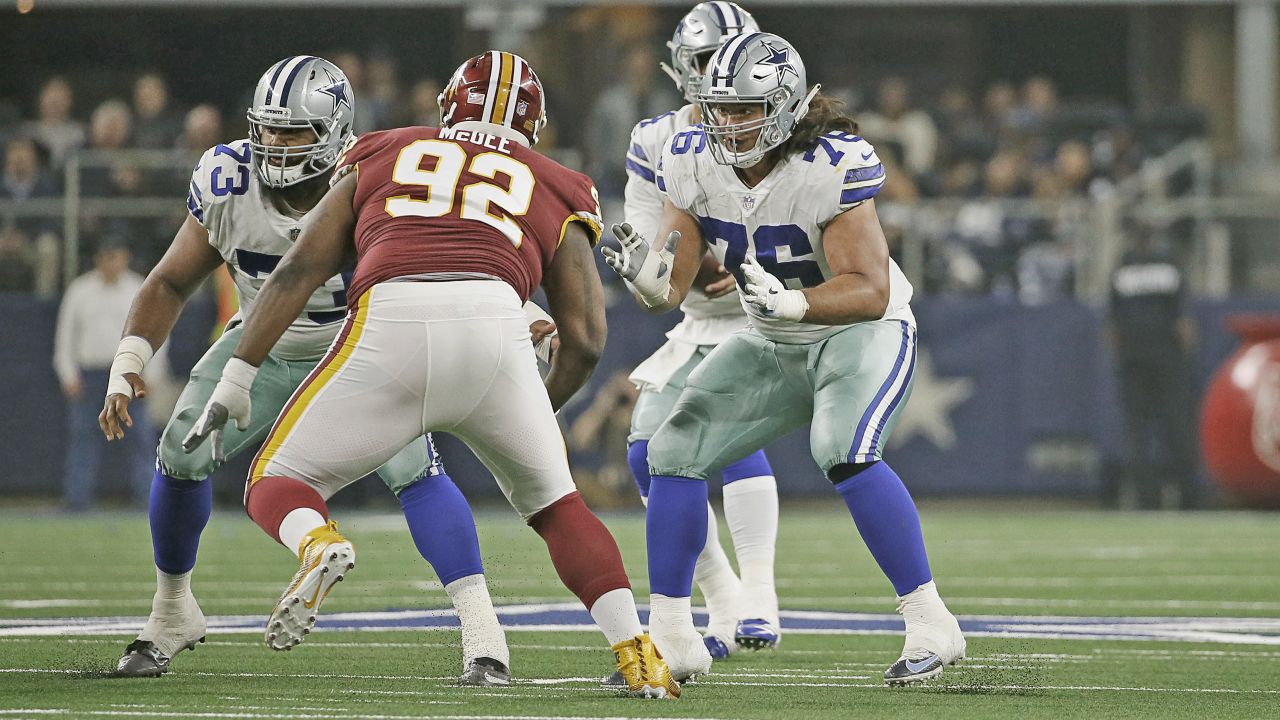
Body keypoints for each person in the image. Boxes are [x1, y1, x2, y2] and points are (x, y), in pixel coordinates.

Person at [182, 51, 681, 700]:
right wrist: (538, 401)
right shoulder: (558, 181)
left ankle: (319, 544)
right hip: (498, 329)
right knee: (560, 510)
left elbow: (300, 270)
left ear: (449, 105)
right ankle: (639, 655)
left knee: (274, 481)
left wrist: (239, 375)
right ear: (535, 125)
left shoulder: (384, 149)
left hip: (391, 318)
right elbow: (585, 338)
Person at [99, 57, 514, 687]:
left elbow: (455, 250)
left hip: (363, 346)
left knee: (414, 468)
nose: (276, 145)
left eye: (294, 132)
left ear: (336, 131)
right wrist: (129, 362)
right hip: (263, 347)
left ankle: (484, 635)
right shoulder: (228, 178)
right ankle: (171, 611)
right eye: (269, 129)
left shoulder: (378, 178)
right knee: (180, 451)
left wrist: (522, 308)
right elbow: (170, 280)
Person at [601, 32, 967, 685]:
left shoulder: (831, 162)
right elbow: (675, 285)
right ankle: (674, 636)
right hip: (772, 333)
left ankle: (930, 620)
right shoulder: (692, 160)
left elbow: (870, 287)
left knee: (841, 446)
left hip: (858, 329)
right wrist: (648, 280)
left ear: (787, 104)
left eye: (746, 109)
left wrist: (797, 305)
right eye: (721, 108)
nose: (729, 123)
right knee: (671, 448)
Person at [622, 0, 781, 659]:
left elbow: (793, 221)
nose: (712, 75)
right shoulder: (655, 136)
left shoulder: (776, 127)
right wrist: (662, 270)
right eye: (700, 63)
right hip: (695, 316)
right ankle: (723, 595)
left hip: (765, 306)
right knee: (643, 452)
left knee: (726, 429)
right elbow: (647, 244)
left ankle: (761, 597)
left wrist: (743, 266)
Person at [56, 237, 157, 511]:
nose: (110, 263)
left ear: (125, 256)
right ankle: (77, 500)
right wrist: (68, 373)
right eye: (105, 256)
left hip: (129, 374)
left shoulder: (138, 288)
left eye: (115, 256)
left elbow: (156, 333)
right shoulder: (80, 290)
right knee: (83, 436)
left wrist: (154, 372)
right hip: (90, 374)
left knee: (140, 438)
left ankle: (148, 498)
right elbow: (66, 336)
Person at [1106, 229, 1198, 509]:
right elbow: (1183, 323)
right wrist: (1186, 357)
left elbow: (1112, 327)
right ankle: (1189, 498)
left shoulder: (1122, 270)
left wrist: (1118, 359)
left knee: (1137, 432)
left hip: (1133, 357)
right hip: (1167, 356)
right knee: (1178, 427)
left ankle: (1147, 500)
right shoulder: (1170, 268)